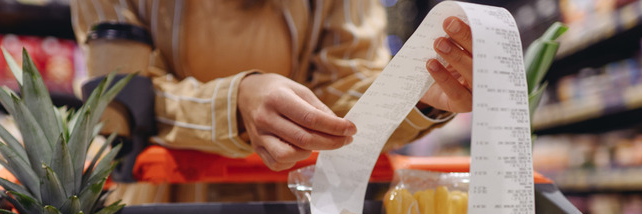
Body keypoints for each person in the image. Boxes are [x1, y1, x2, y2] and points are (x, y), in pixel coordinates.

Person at [70, 0, 472, 177]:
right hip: (160, 213)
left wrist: (416, 96)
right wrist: (234, 105)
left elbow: (345, 94)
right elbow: (119, 98)